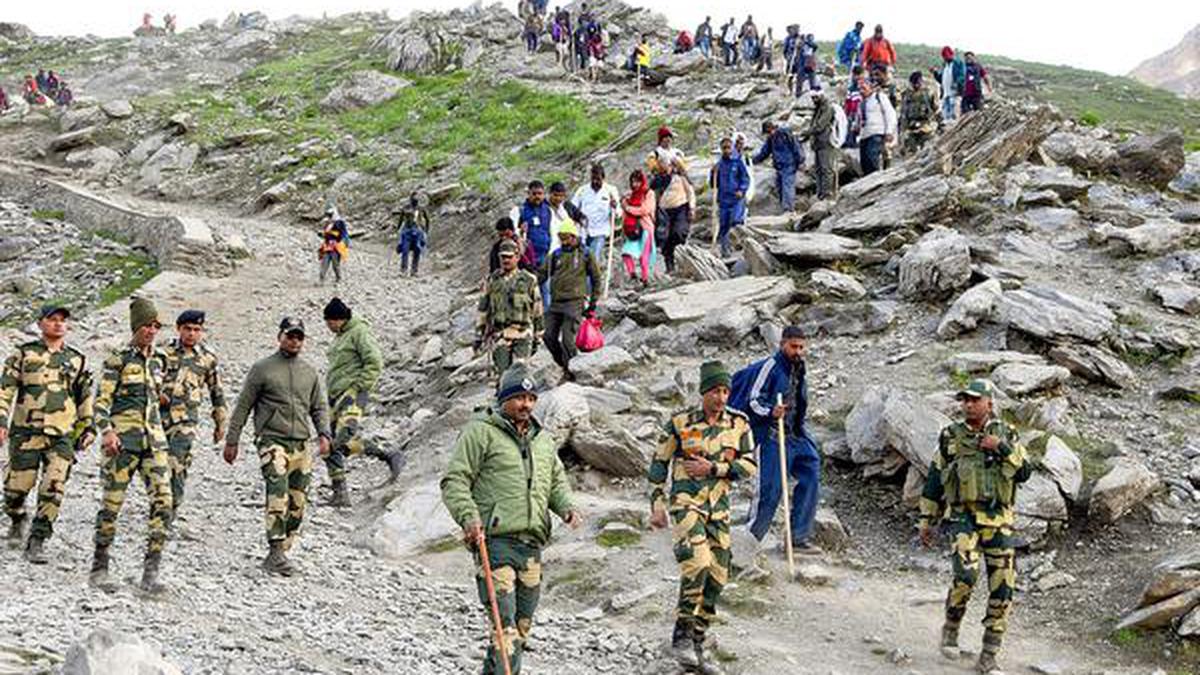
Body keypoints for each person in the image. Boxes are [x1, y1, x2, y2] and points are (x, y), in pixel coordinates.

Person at [441, 363, 580, 675]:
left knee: (520, 628)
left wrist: (566, 507)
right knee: (505, 630)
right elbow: (455, 480)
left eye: (531, 398)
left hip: (531, 546)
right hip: (495, 541)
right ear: (504, 399)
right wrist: (468, 517)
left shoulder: (542, 439)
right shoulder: (480, 432)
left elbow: (554, 480)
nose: (526, 404)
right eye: (519, 397)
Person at [918, 379, 1032, 675]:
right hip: (962, 518)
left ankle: (989, 654)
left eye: (974, 400)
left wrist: (1002, 447)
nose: (968, 404)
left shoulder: (1007, 433)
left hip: (999, 521)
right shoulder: (950, 436)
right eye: (964, 400)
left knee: (1004, 586)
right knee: (965, 576)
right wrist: (926, 520)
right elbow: (934, 478)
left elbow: (1025, 473)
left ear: (989, 403)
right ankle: (952, 627)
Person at [649, 360, 756, 672]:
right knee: (697, 563)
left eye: (725, 391)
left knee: (718, 577)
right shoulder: (680, 423)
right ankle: (681, 636)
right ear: (703, 392)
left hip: (719, 510)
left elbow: (749, 465)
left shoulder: (739, 424)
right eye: (715, 391)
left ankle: (697, 641)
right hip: (686, 504)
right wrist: (656, 505)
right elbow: (658, 466)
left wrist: (715, 468)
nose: (721, 398)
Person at [224, 317, 331, 576]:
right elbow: (243, 405)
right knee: (277, 491)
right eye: (290, 336)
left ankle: (283, 548)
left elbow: (318, 407)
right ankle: (275, 551)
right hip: (272, 440)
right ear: (279, 337)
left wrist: (324, 434)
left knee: (298, 500)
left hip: (301, 443)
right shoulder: (262, 369)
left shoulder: (309, 372)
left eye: (299, 337)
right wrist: (232, 440)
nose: (294, 341)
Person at [89, 298, 173, 593]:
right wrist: (107, 432)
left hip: (154, 443)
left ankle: (150, 573)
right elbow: (100, 403)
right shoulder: (118, 359)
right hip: (122, 444)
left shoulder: (160, 360)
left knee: (164, 502)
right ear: (135, 328)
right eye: (146, 326)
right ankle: (100, 567)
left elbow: (157, 396)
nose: (151, 331)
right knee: (112, 505)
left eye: (155, 326)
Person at [0, 304, 94, 564]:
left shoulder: (76, 359)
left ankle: (38, 540)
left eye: (62, 320)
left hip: (61, 434)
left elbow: (84, 397)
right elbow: (5, 389)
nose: (58, 324)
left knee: (54, 488)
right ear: (40, 323)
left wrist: (87, 427)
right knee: (16, 489)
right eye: (52, 320)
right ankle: (17, 517)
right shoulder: (23, 354)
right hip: (25, 433)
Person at [730, 327, 821, 555]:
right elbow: (753, 400)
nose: (798, 351)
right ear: (782, 344)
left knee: (811, 472)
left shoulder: (800, 368)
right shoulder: (770, 366)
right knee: (770, 490)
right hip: (771, 435)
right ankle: (749, 542)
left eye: (801, 347)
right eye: (793, 346)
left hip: (795, 434)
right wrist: (771, 411)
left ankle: (798, 538)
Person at [322, 298, 404, 507]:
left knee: (341, 437)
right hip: (336, 395)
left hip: (352, 393)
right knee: (330, 444)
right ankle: (340, 492)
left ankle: (387, 452)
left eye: (329, 322)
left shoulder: (359, 332)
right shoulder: (341, 336)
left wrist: (359, 386)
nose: (328, 326)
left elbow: (375, 361)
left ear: (338, 319)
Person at [158, 310, 226, 525]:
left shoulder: (207, 358)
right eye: (187, 329)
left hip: (186, 420)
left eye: (197, 330)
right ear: (179, 329)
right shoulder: (162, 353)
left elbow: (217, 391)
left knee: (176, 462)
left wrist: (220, 422)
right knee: (157, 465)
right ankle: (159, 502)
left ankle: (171, 508)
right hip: (158, 418)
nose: (192, 334)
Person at [539, 222, 598, 382]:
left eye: (566, 238)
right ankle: (564, 365)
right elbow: (542, 275)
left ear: (574, 236)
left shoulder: (586, 253)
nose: (564, 242)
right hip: (556, 302)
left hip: (575, 302)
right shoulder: (555, 255)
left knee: (567, 340)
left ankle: (572, 373)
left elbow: (596, 278)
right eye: (561, 238)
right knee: (548, 336)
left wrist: (593, 302)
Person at [478, 240, 544, 375]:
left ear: (517, 257)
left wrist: (539, 335)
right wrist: (479, 335)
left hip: (522, 333)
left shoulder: (529, 280)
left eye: (509, 257)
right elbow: (483, 308)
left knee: (519, 375)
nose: (506, 260)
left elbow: (537, 308)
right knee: (503, 376)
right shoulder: (492, 280)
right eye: (503, 257)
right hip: (500, 335)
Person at [571, 163, 620, 266]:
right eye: (593, 179)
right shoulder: (582, 190)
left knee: (594, 258)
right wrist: (577, 218)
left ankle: (592, 281)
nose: (595, 182)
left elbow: (618, 214)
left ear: (603, 178)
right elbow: (572, 207)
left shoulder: (611, 190)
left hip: (600, 231)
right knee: (583, 260)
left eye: (598, 179)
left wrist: (614, 207)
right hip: (584, 232)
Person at [753, 120, 804, 213]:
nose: (769, 134)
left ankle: (789, 209)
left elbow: (796, 146)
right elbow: (764, 152)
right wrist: (752, 161)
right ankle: (785, 208)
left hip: (789, 164)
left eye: (768, 132)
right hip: (779, 166)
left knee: (787, 186)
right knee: (780, 187)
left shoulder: (785, 133)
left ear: (772, 128)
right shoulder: (771, 139)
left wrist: (800, 160)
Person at [711, 137, 750, 257]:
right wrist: (713, 173)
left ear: (732, 148)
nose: (727, 150)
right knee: (724, 224)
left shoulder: (738, 162)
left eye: (728, 147)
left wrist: (741, 190)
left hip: (736, 198)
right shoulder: (719, 165)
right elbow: (713, 184)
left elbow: (745, 178)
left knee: (736, 221)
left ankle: (742, 247)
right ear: (721, 149)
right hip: (723, 200)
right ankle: (725, 250)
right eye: (724, 148)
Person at [657, 157, 695, 274]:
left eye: (665, 168)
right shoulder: (659, 180)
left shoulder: (681, 178)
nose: (664, 171)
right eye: (661, 169)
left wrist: (692, 208)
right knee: (665, 238)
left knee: (678, 232)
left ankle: (681, 256)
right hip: (664, 211)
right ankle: (669, 264)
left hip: (680, 208)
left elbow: (690, 192)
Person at [620, 170, 657, 287]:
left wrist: (627, 207)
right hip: (632, 229)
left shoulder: (649, 194)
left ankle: (645, 280)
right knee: (626, 253)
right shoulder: (630, 196)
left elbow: (644, 210)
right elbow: (623, 210)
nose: (635, 184)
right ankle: (633, 274)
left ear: (642, 181)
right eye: (633, 182)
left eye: (637, 181)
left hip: (645, 228)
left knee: (643, 256)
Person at [857, 79, 897, 176]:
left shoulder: (879, 98)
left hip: (876, 133)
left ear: (870, 88)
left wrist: (889, 131)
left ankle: (874, 180)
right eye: (860, 89)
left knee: (872, 158)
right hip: (864, 135)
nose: (861, 91)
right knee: (864, 162)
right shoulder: (861, 103)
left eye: (864, 88)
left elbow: (890, 114)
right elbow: (859, 119)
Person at [900, 71, 939, 155]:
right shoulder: (906, 95)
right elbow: (903, 114)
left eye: (918, 83)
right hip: (911, 128)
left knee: (927, 152)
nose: (917, 85)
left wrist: (940, 125)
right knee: (910, 154)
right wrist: (902, 132)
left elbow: (936, 109)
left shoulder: (928, 93)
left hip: (926, 127)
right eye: (914, 84)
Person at [546, 181, 587, 258]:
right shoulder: (544, 208)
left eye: (561, 196)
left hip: (568, 245)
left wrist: (578, 224)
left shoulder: (567, 206)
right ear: (550, 193)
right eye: (555, 195)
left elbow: (582, 218)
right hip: (551, 245)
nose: (558, 198)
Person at [809, 89, 836, 200]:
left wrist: (807, 132)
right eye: (813, 98)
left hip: (825, 142)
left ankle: (827, 193)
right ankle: (820, 193)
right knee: (818, 169)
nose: (814, 100)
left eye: (816, 97)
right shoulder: (818, 108)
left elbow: (820, 126)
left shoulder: (827, 108)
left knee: (826, 169)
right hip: (818, 143)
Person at [395, 193, 431, 277]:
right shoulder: (406, 207)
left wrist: (426, 231)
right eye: (414, 198)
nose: (415, 199)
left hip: (418, 231)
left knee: (417, 250)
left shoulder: (421, 208)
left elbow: (427, 220)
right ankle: (404, 270)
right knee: (405, 250)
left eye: (417, 198)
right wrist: (398, 229)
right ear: (411, 199)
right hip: (407, 231)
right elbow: (400, 219)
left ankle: (414, 271)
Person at [318, 210, 349, 284]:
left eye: (330, 215)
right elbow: (326, 234)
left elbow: (341, 235)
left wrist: (331, 234)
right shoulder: (327, 223)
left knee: (335, 264)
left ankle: (338, 278)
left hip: (336, 247)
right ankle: (321, 280)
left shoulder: (340, 223)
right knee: (324, 263)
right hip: (327, 246)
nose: (329, 216)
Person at [939, 47, 965, 122]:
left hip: (954, 93)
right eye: (944, 57)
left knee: (953, 115)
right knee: (945, 116)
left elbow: (962, 76)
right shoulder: (945, 66)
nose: (945, 58)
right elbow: (941, 79)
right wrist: (935, 73)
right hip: (945, 94)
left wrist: (957, 83)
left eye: (946, 56)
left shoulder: (958, 64)